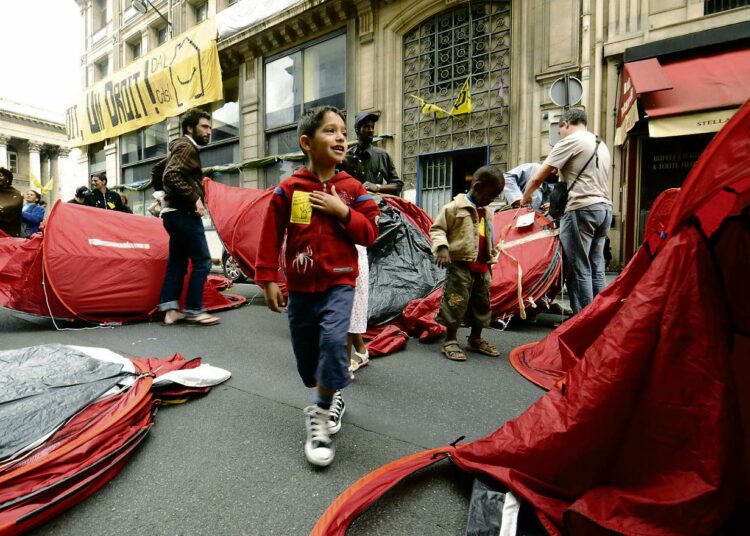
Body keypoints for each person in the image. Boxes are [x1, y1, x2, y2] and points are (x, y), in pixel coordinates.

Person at [255, 105, 380, 467]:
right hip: (300, 288)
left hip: (340, 282)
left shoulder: (353, 190)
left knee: (331, 341)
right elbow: (270, 235)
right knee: (309, 361)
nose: (341, 137)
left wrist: (341, 211)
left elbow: (370, 232)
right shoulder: (289, 188)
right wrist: (268, 279)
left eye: (343, 131)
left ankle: (321, 414)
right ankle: (329, 388)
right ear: (307, 143)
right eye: (331, 131)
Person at [521, 108, 612, 315]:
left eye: (559, 130)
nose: (559, 134)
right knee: (596, 266)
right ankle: (601, 316)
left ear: (566, 123)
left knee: (579, 268)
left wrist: (524, 199)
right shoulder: (600, 143)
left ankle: (585, 321)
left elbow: (537, 177)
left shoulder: (570, 141)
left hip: (582, 209)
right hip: (604, 208)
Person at [430, 166, 505, 361]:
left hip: (482, 266)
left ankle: (475, 339)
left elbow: (487, 234)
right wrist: (442, 248)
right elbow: (437, 229)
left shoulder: (488, 212)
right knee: (456, 301)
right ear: (477, 187)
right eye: (492, 194)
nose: (493, 199)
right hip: (460, 267)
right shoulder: (453, 208)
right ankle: (450, 340)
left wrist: (492, 252)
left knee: (482, 303)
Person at [157, 108, 219, 327]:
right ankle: (194, 310)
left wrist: (162, 195)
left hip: (173, 214)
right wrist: (195, 198)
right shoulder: (186, 146)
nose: (209, 131)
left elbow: (159, 171)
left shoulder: (178, 147)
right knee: (202, 261)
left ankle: (170, 310)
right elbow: (171, 175)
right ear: (190, 128)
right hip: (183, 213)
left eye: (210, 127)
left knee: (178, 262)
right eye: (204, 126)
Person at [338, 154, 370, 376]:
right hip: (356, 252)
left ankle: (346, 361)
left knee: (348, 308)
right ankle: (361, 351)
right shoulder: (358, 194)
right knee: (354, 306)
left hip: (351, 254)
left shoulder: (349, 194)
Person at [348, 111, 403, 196]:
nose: (371, 130)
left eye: (372, 127)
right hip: (351, 206)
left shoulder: (382, 155)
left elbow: (397, 185)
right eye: (367, 126)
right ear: (357, 130)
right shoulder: (348, 156)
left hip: (374, 206)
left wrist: (377, 187)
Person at [0, 167, 23, 237]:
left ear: (7, 179)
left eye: (0, 176)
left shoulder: (16, 194)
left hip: (9, 232)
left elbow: (9, 206)